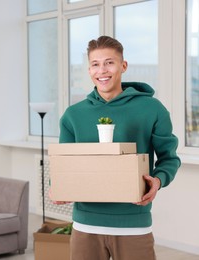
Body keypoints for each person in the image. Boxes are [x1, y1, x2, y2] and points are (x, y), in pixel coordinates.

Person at [56, 36, 181, 260]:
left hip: (133, 224)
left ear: (123, 66)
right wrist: (57, 186)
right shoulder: (73, 115)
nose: (102, 70)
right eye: (95, 64)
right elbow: (65, 163)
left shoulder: (152, 109)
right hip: (86, 225)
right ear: (89, 69)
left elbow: (169, 158)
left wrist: (158, 181)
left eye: (109, 62)